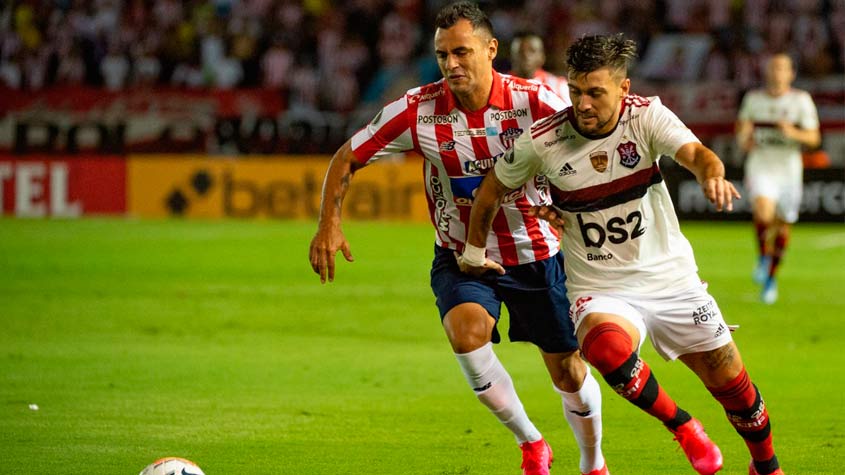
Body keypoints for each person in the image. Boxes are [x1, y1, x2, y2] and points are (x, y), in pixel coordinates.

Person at [459, 33, 785, 475]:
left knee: (731, 381)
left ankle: (766, 466)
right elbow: (492, 189)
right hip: (601, 285)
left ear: (623, 89)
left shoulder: (645, 116)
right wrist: (475, 250)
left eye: (595, 92)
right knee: (604, 348)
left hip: (671, 280)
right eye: (575, 92)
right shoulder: (545, 139)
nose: (583, 104)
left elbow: (696, 153)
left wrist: (712, 175)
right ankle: (683, 425)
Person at [308, 3, 608, 475]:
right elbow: (347, 156)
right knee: (466, 336)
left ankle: (593, 462)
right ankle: (531, 442)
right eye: (442, 54)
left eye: (462, 52)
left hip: (536, 254)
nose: (451, 64)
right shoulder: (417, 110)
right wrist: (329, 223)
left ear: (491, 50)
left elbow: (600, 151)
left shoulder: (537, 102)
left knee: (568, 371)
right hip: (460, 255)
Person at [735, 53, 821, 304]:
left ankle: (771, 279)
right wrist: (744, 138)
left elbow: (814, 139)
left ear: (791, 74)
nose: (776, 72)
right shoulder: (753, 99)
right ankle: (763, 257)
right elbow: (742, 131)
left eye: (782, 68)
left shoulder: (801, 100)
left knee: (783, 225)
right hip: (762, 164)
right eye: (773, 67)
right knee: (763, 212)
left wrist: (792, 132)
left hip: (789, 169)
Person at [510, 31, 569, 100]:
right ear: (511, 56)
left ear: (542, 57)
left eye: (532, 51)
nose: (526, 55)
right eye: (520, 51)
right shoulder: (499, 86)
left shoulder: (558, 87)